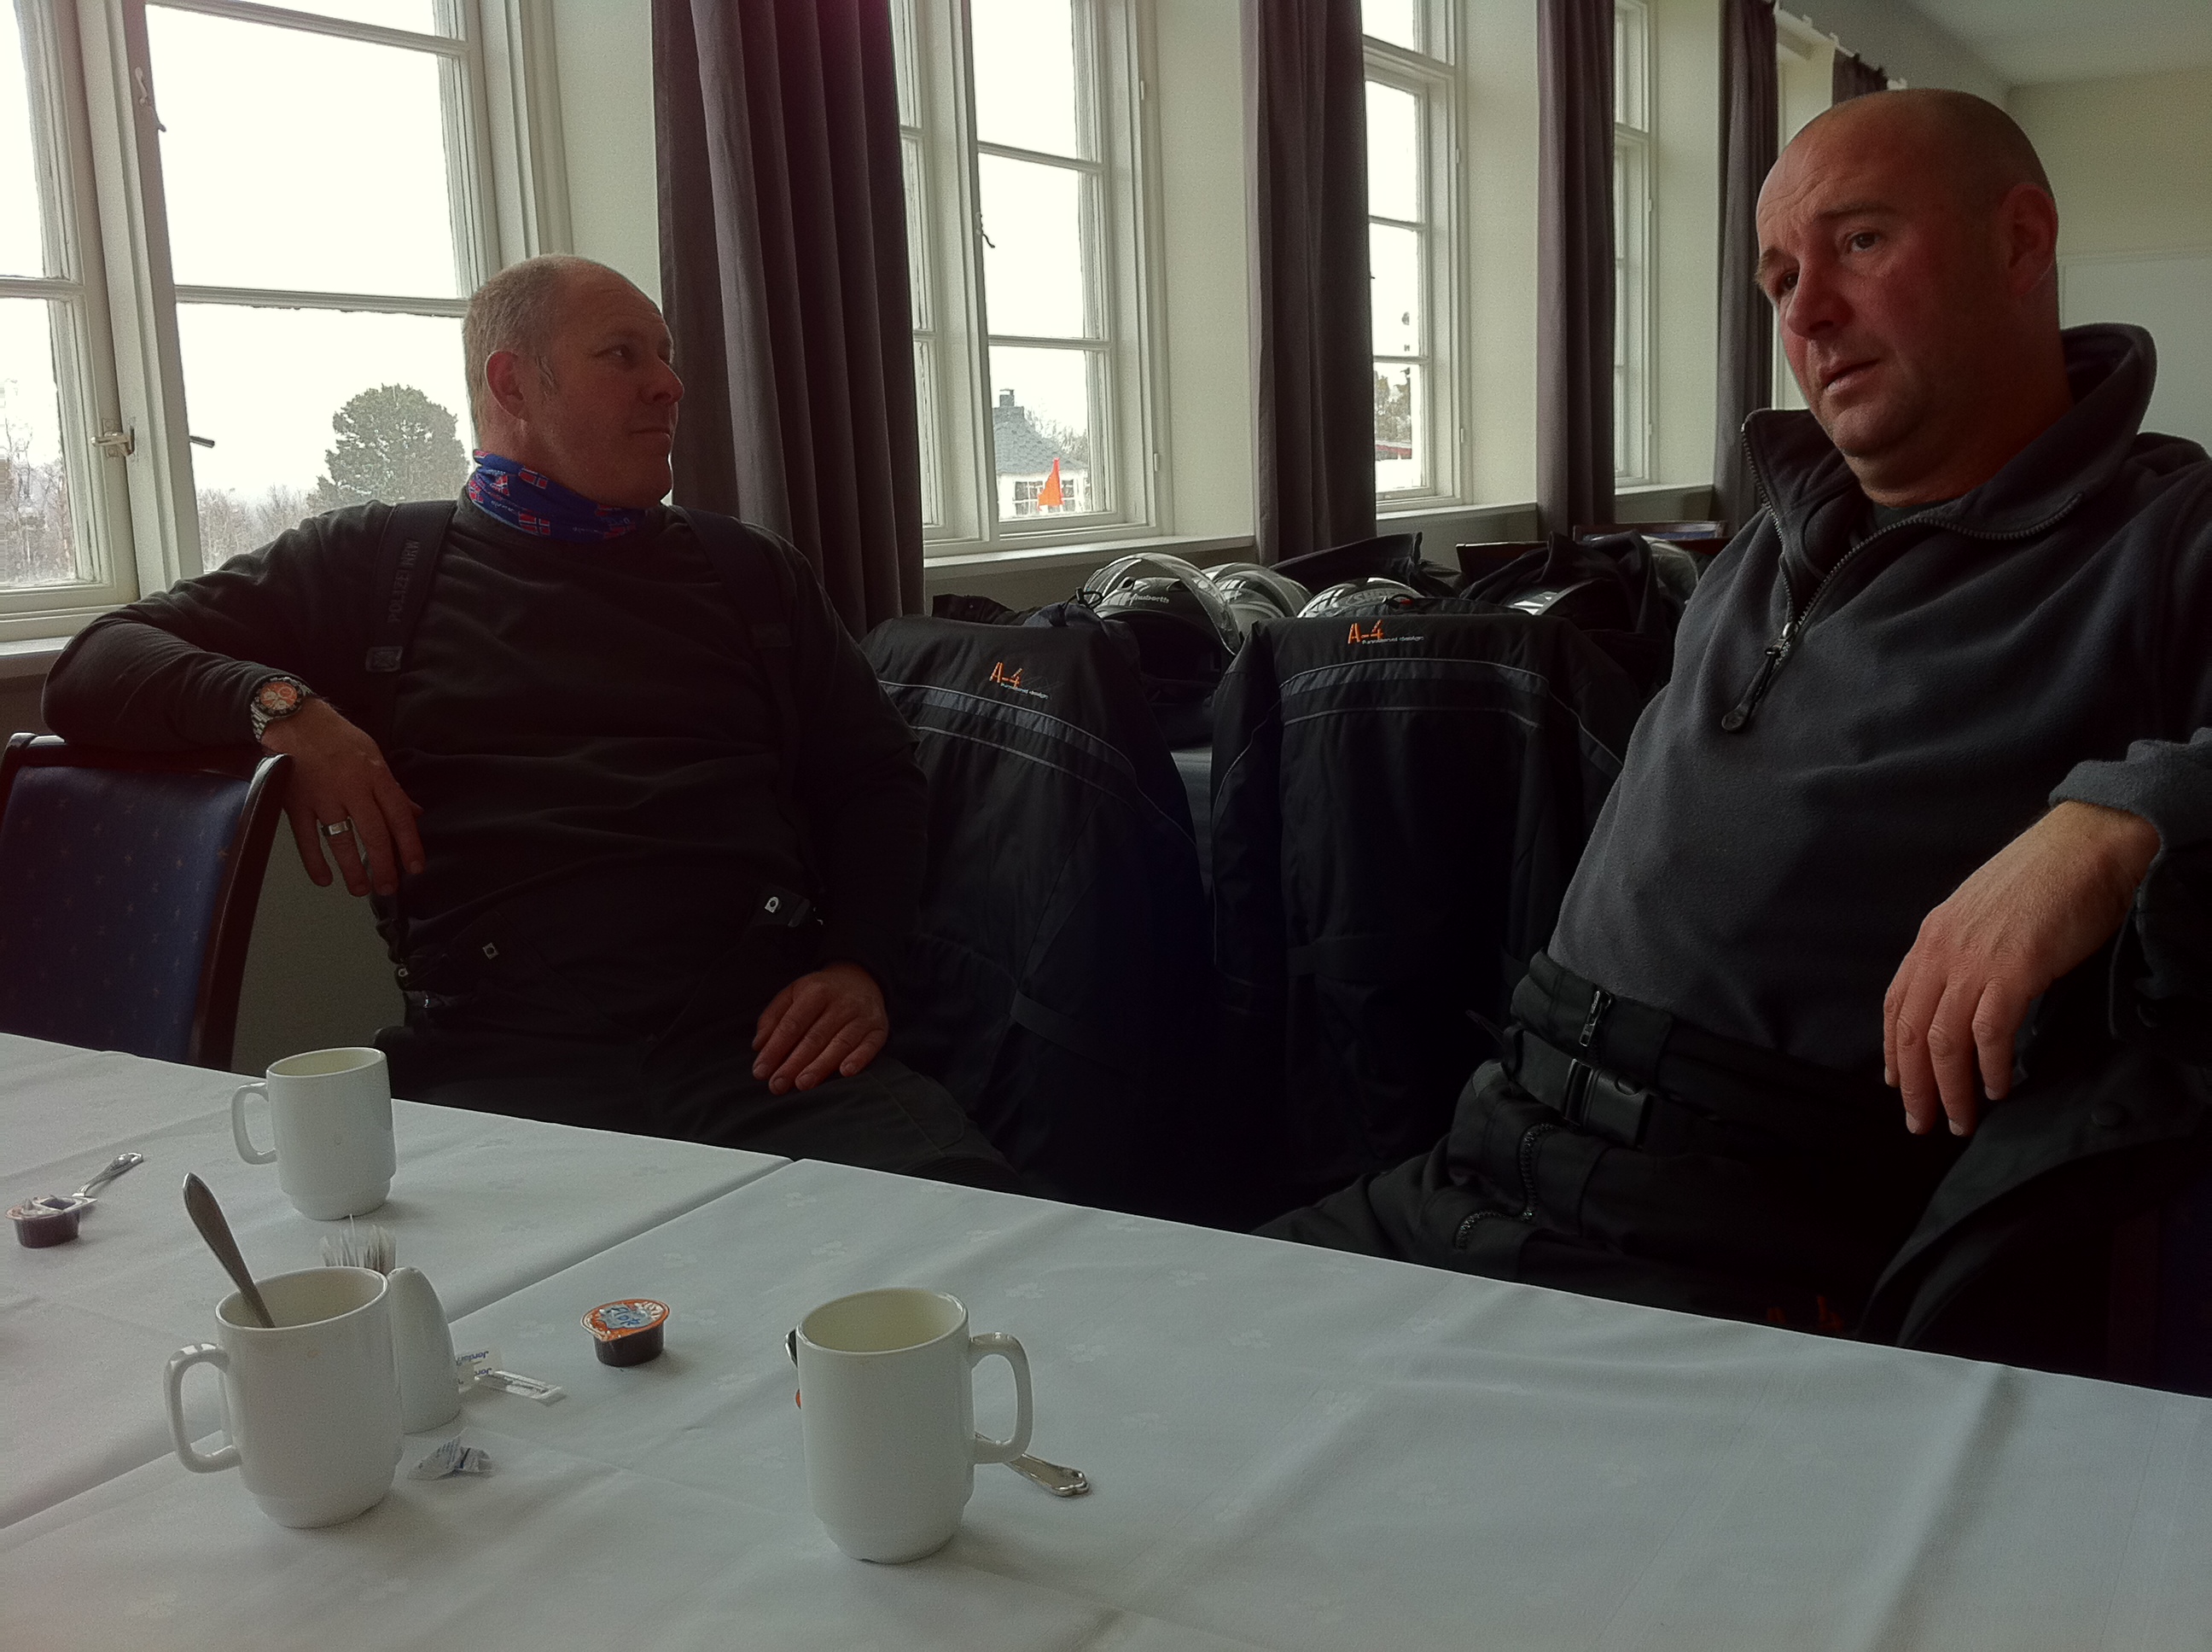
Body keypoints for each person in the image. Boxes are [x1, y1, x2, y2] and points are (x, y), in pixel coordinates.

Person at [1262, 90, 2212, 1373]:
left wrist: (2114, 823)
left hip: (1729, 1246)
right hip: (1490, 1145)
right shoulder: (1772, 534)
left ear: (2021, 241)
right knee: (1121, 1355)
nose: (1807, 315)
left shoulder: (2164, 533)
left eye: (1860, 241)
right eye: (1780, 280)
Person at [44, 254, 1020, 1190]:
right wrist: (284, 712)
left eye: (666, 356)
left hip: (762, 1050)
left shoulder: (750, 573)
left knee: (992, 1241)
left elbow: (874, 781)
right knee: (452, 1292)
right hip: (501, 1063)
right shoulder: (379, 566)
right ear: (512, 382)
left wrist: (858, 963)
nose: (670, 384)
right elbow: (96, 663)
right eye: (623, 355)